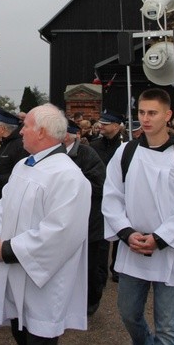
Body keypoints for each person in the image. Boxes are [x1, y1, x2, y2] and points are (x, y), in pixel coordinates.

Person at [103, 88, 174, 345]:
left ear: (168, 115)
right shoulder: (126, 152)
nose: (146, 118)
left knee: (168, 326)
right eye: (141, 112)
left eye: (152, 113)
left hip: (170, 249)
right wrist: (126, 233)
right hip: (133, 247)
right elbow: (112, 196)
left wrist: (160, 238)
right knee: (128, 313)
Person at [0, 104, 90, 345]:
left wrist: (9, 250)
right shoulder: (24, 166)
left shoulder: (68, 176)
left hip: (43, 281)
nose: (21, 131)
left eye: (26, 126)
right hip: (16, 271)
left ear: (42, 132)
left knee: (39, 340)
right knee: (20, 332)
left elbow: (61, 232)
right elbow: (4, 205)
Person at [63, 120, 106, 316]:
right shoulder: (55, 154)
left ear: (68, 135)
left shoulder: (88, 154)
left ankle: (92, 300)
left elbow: (99, 186)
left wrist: (72, 183)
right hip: (67, 221)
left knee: (90, 265)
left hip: (90, 221)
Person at [89, 111, 125, 284]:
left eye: (106, 123)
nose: (101, 126)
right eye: (100, 123)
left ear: (116, 126)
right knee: (102, 239)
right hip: (100, 198)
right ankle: (100, 277)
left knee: (122, 233)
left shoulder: (125, 147)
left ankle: (118, 268)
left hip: (121, 196)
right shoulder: (94, 146)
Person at [0, 107, 29, 200]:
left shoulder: (20, 145)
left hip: (10, 196)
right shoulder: (4, 143)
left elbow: (20, 174)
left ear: (2, 128)